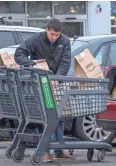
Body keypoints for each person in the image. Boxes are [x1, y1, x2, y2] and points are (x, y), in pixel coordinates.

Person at [14, 18, 73, 162]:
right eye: (52, 34)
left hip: (56, 83)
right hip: (40, 83)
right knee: (46, 117)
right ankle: (46, 151)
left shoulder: (64, 41)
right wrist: (32, 63)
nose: (54, 37)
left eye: (57, 35)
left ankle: (59, 150)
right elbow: (19, 53)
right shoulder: (36, 39)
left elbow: (65, 62)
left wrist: (57, 79)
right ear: (46, 30)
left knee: (59, 115)